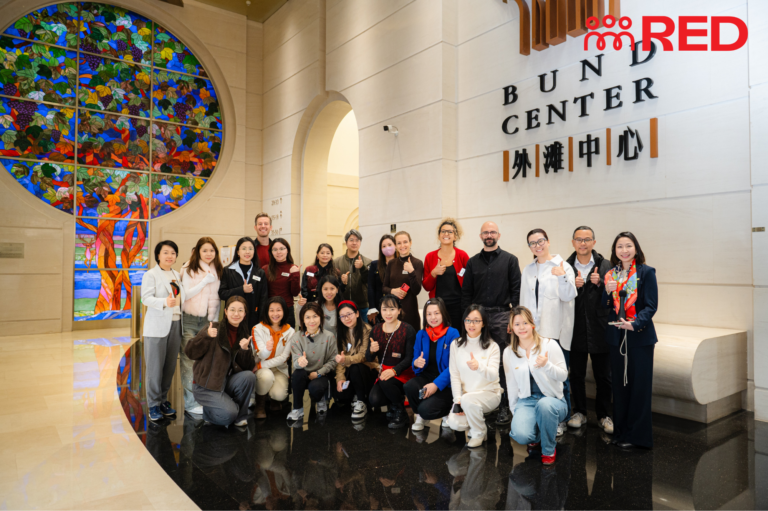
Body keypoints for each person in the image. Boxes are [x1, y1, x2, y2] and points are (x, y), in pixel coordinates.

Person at [460, 221, 521, 425]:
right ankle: (483, 401)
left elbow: (516, 292)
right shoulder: (472, 262)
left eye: (492, 232)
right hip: (477, 317)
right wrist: (468, 319)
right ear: (480, 236)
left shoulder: (510, 260)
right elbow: (466, 293)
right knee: (480, 359)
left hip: (502, 315)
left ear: (498, 235)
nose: (489, 235)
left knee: (502, 363)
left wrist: (513, 318)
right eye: (485, 232)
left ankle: (503, 405)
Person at [602, 232, 658, 449]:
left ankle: (639, 437)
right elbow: (606, 306)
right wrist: (607, 293)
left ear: (636, 248)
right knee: (620, 386)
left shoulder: (646, 273)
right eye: (619, 247)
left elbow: (651, 306)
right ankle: (621, 433)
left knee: (639, 387)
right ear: (615, 251)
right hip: (616, 337)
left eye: (628, 246)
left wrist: (634, 324)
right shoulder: (611, 274)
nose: (624, 250)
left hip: (639, 337)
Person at [520, 228, 576, 437]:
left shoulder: (563, 266)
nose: (537, 246)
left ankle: (562, 418)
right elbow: (523, 301)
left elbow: (570, 295)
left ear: (548, 241)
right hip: (533, 334)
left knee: (560, 377)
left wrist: (562, 277)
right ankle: (539, 416)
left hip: (555, 333)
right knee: (535, 376)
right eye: (532, 243)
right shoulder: (528, 269)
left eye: (540, 241)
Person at [504, 306, 569, 465]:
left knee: (544, 406)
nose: (521, 327)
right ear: (512, 328)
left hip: (553, 400)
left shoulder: (549, 345)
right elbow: (511, 386)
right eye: (517, 324)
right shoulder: (509, 352)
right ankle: (539, 432)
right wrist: (515, 412)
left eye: (525, 323)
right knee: (520, 435)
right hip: (526, 401)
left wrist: (547, 365)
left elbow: (563, 375)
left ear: (532, 324)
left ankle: (548, 450)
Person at [565, 226, 614, 434]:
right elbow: (559, 296)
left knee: (603, 375)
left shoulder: (606, 265)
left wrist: (602, 284)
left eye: (587, 239)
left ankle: (604, 415)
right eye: (579, 239)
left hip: (600, 328)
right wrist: (571, 286)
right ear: (573, 242)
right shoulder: (565, 267)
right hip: (574, 327)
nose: (583, 243)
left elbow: (615, 298)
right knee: (576, 374)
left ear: (594, 242)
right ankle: (580, 412)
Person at [184, 296, 257, 427]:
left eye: (240, 310)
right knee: (228, 416)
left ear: (245, 313)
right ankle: (212, 412)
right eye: (232, 309)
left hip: (225, 383)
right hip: (206, 386)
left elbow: (247, 367)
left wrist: (245, 350)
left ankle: (240, 416)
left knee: (249, 377)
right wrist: (206, 336)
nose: (236, 314)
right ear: (226, 311)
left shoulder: (244, 334)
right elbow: (190, 352)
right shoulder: (213, 328)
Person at [141, 240, 186, 422]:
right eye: (165, 252)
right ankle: (153, 404)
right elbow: (145, 298)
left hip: (176, 324)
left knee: (168, 367)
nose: (169, 256)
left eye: (173, 253)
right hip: (157, 326)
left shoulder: (177, 274)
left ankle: (163, 401)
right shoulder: (151, 275)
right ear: (158, 255)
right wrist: (164, 303)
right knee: (154, 368)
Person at [447, 305, 502, 448]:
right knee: (454, 423)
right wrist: (458, 400)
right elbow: (454, 374)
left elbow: (493, 375)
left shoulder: (492, 346)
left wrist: (479, 367)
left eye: (476, 321)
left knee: (469, 401)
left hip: (489, 393)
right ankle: (479, 418)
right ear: (463, 321)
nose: (471, 324)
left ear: (483, 323)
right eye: (468, 320)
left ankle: (479, 431)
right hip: (466, 397)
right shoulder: (456, 344)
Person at [180, 237, 223, 416]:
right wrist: (205, 281)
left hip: (209, 321)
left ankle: (203, 400)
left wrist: (214, 320)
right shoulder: (188, 268)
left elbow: (218, 298)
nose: (208, 254)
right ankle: (190, 403)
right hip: (190, 319)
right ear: (198, 251)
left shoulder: (218, 269)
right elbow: (185, 295)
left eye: (211, 250)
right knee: (189, 361)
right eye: (204, 250)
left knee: (205, 362)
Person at [404, 297, 460, 432]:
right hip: (427, 376)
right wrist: (416, 363)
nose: (432, 317)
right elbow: (416, 359)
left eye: (436, 313)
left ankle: (447, 412)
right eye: (429, 314)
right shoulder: (421, 334)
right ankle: (421, 416)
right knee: (409, 386)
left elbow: (455, 365)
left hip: (446, 383)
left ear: (443, 314)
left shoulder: (452, 333)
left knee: (426, 409)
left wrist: (436, 385)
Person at [366, 294, 417, 429]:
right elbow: (369, 358)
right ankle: (394, 403)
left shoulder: (407, 330)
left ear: (399, 310)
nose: (388, 313)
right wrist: (371, 350)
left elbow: (410, 358)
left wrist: (394, 371)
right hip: (384, 373)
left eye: (392, 309)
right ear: (380, 311)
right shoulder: (375, 329)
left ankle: (400, 411)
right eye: (384, 309)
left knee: (385, 381)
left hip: (403, 371)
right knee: (374, 400)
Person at [287, 302, 338, 421]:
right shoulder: (296, 337)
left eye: (315, 316)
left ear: (321, 317)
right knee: (297, 374)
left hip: (321, 374)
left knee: (316, 388)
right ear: (302, 320)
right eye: (308, 317)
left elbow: (333, 360)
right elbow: (295, 361)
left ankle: (320, 399)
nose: (312, 321)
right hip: (303, 374)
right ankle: (298, 408)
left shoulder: (329, 336)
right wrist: (300, 361)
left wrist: (319, 373)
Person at [332, 300, 377, 420]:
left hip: (367, 369)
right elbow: (341, 358)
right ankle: (355, 395)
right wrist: (340, 378)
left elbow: (363, 356)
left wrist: (345, 359)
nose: (346, 318)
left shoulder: (367, 329)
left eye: (349, 314)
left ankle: (361, 401)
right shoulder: (342, 332)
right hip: (351, 370)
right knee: (340, 395)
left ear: (357, 314)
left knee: (355, 367)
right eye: (342, 316)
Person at [251, 297, 294, 419]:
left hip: (278, 368)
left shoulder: (290, 331)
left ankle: (274, 398)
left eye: (278, 310)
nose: (275, 314)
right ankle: (260, 404)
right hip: (262, 369)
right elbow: (261, 355)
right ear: (266, 312)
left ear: (284, 311)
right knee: (266, 377)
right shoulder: (257, 329)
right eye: (272, 310)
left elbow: (284, 357)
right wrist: (267, 350)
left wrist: (260, 365)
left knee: (279, 395)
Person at [422, 219, 470, 328]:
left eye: (450, 232)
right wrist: (433, 273)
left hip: (458, 307)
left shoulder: (462, 256)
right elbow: (426, 286)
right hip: (438, 309)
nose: (446, 234)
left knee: (458, 337)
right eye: (443, 231)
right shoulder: (430, 257)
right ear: (439, 236)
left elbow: (470, 282)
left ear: (455, 236)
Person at [218, 236, 269, 331]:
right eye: (244, 248)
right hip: (233, 318)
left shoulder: (260, 272)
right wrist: (242, 290)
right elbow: (222, 294)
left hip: (253, 319)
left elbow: (263, 298)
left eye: (250, 249)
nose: (247, 252)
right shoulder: (228, 271)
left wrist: (262, 320)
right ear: (237, 252)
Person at [382, 231, 424, 331]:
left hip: (410, 312)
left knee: (411, 344)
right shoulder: (392, 263)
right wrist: (393, 291)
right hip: (393, 312)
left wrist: (411, 271)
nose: (402, 245)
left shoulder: (417, 263)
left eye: (405, 242)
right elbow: (384, 287)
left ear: (410, 243)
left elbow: (417, 290)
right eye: (399, 243)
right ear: (395, 246)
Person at [335, 229, 373, 321]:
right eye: (351, 240)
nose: (354, 243)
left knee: (364, 332)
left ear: (360, 243)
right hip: (343, 305)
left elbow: (369, 282)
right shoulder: (336, 262)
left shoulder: (368, 262)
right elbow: (334, 284)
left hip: (362, 307)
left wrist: (362, 268)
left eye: (357, 240)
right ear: (346, 242)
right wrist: (342, 281)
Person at [264, 238, 301, 329]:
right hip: (271, 311)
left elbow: (295, 293)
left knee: (288, 340)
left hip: (287, 310)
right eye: (275, 249)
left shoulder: (293, 268)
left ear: (287, 250)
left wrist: (295, 275)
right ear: (271, 252)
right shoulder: (265, 269)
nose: (278, 252)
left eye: (282, 249)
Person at [367, 234, 396, 325]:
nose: (387, 248)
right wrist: (372, 308)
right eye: (384, 246)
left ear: (395, 245)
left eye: (390, 245)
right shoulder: (375, 265)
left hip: (396, 304)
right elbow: (370, 287)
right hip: (379, 305)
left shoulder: (401, 263)